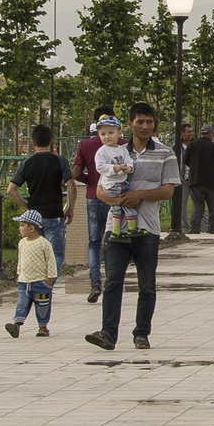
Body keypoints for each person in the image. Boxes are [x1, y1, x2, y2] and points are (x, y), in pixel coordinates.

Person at [85, 102, 180, 352]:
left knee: (146, 283)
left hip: (147, 228)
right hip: (115, 229)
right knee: (113, 281)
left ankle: (141, 333)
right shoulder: (113, 150)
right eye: (140, 122)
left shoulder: (165, 152)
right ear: (130, 124)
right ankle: (108, 333)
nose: (145, 126)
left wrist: (140, 196)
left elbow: (168, 190)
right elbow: (99, 191)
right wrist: (118, 200)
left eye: (149, 122)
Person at [5, 124, 69, 270]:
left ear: (32, 143)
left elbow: (11, 190)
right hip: (54, 214)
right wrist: (70, 207)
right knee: (55, 254)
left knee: (37, 254)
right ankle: (47, 284)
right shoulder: (59, 161)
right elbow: (71, 186)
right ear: (51, 141)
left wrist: (27, 206)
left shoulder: (26, 164)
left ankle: (38, 284)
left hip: (35, 216)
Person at [72, 105, 117, 302]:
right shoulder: (121, 143)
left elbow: (75, 172)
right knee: (114, 240)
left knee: (94, 242)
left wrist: (88, 180)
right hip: (114, 197)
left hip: (93, 196)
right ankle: (111, 283)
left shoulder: (85, 145)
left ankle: (94, 283)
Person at [6, 209, 57, 338]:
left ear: (32, 228)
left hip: (40, 282)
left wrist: (49, 277)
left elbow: (50, 261)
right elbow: (20, 259)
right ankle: (16, 325)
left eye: (22, 225)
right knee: (21, 303)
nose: (19, 228)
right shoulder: (22, 243)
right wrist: (19, 274)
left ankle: (43, 327)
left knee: (42, 306)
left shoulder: (44, 244)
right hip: (24, 281)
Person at [93, 118, 140, 242]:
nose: (107, 137)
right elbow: (100, 167)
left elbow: (129, 162)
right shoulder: (102, 151)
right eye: (103, 134)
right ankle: (131, 228)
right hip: (112, 184)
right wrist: (115, 168)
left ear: (119, 133)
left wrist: (128, 168)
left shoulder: (122, 150)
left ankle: (116, 231)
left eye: (111, 133)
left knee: (117, 208)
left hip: (122, 181)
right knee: (127, 202)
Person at [183, 124, 214, 234]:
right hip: (211, 182)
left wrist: (194, 166)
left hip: (195, 180)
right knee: (213, 207)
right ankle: (212, 229)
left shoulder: (192, 145)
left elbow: (186, 160)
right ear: (210, 134)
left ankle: (195, 228)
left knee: (197, 206)